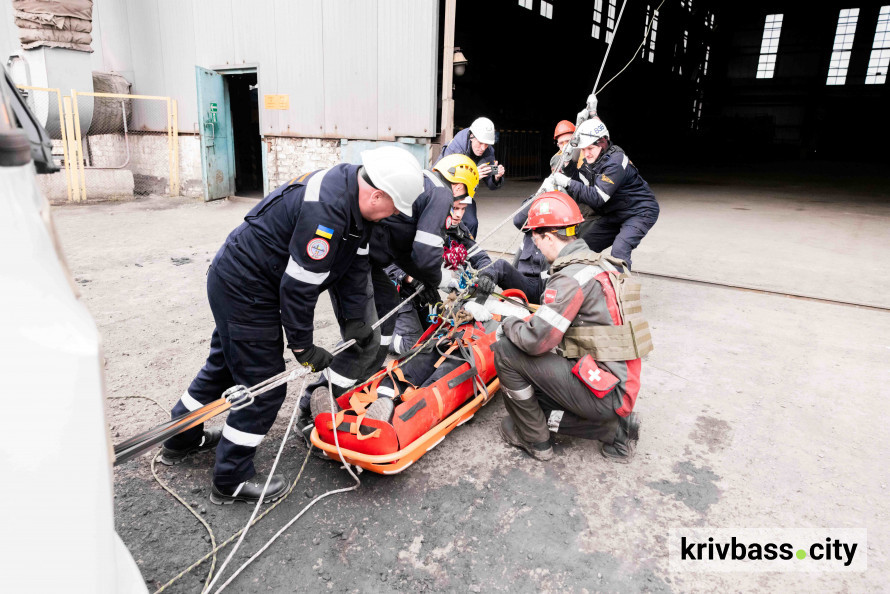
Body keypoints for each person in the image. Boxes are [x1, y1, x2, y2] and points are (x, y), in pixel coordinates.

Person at [160, 146, 424, 504]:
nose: (391, 215)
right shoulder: (327, 212)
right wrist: (303, 347)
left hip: (248, 281)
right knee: (264, 385)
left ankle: (179, 439)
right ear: (377, 194)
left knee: (224, 367)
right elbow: (299, 288)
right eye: (392, 207)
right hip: (246, 288)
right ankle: (230, 479)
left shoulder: (353, 199)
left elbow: (354, 269)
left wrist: (354, 322)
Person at [492, 192, 649, 463]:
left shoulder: (570, 278)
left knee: (507, 350)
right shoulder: (599, 264)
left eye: (536, 240)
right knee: (535, 393)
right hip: (618, 383)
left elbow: (536, 341)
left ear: (549, 237)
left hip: (605, 391)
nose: (536, 248)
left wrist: (507, 320)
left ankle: (535, 439)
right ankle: (614, 429)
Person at [548, 117, 659, 270]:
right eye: (584, 149)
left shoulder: (615, 162)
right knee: (579, 246)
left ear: (603, 143)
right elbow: (581, 182)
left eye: (590, 149)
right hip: (614, 212)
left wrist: (566, 182)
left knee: (620, 251)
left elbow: (597, 198)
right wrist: (567, 167)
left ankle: (620, 290)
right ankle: (574, 283)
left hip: (639, 212)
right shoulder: (593, 159)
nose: (586, 154)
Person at [436, 116, 505, 237]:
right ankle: (446, 251)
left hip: (465, 193)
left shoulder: (489, 152)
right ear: (472, 136)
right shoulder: (456, 147)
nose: (483, 148)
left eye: (486, 144)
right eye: (480, 143)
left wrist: (496, 176)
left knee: (471, 222)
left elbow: (490, 180)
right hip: (444, 190)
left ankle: (466, 253)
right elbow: (447, 176)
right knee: (445, 222)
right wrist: (472, 174)